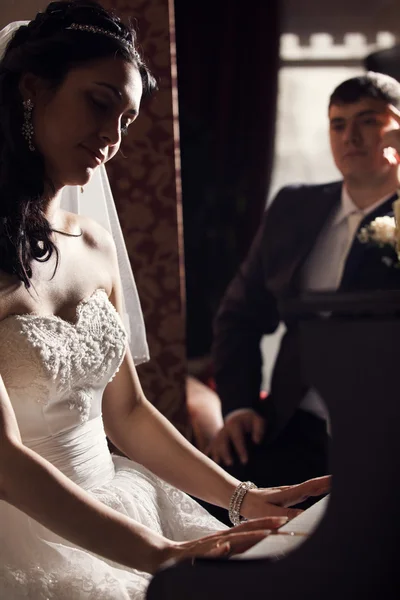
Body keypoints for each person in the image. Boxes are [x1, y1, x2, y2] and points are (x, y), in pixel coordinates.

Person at [0, 2, 330, 598]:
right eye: (99, 102)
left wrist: (239, 495)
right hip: (28, 532)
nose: (112, 136)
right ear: (31, 89)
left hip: (125, 500)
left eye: (126, 119)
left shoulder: (95, 246)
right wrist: (155, 553)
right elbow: (5, 460)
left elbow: (125, 413)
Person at [209, 71, 400, 499]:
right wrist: (239, 405)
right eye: (338, 123)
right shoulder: (294, 207)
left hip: (387, 429)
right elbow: (239, 315)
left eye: (368, 120)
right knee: (223, 510)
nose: (351, 135)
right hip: (294, 422)